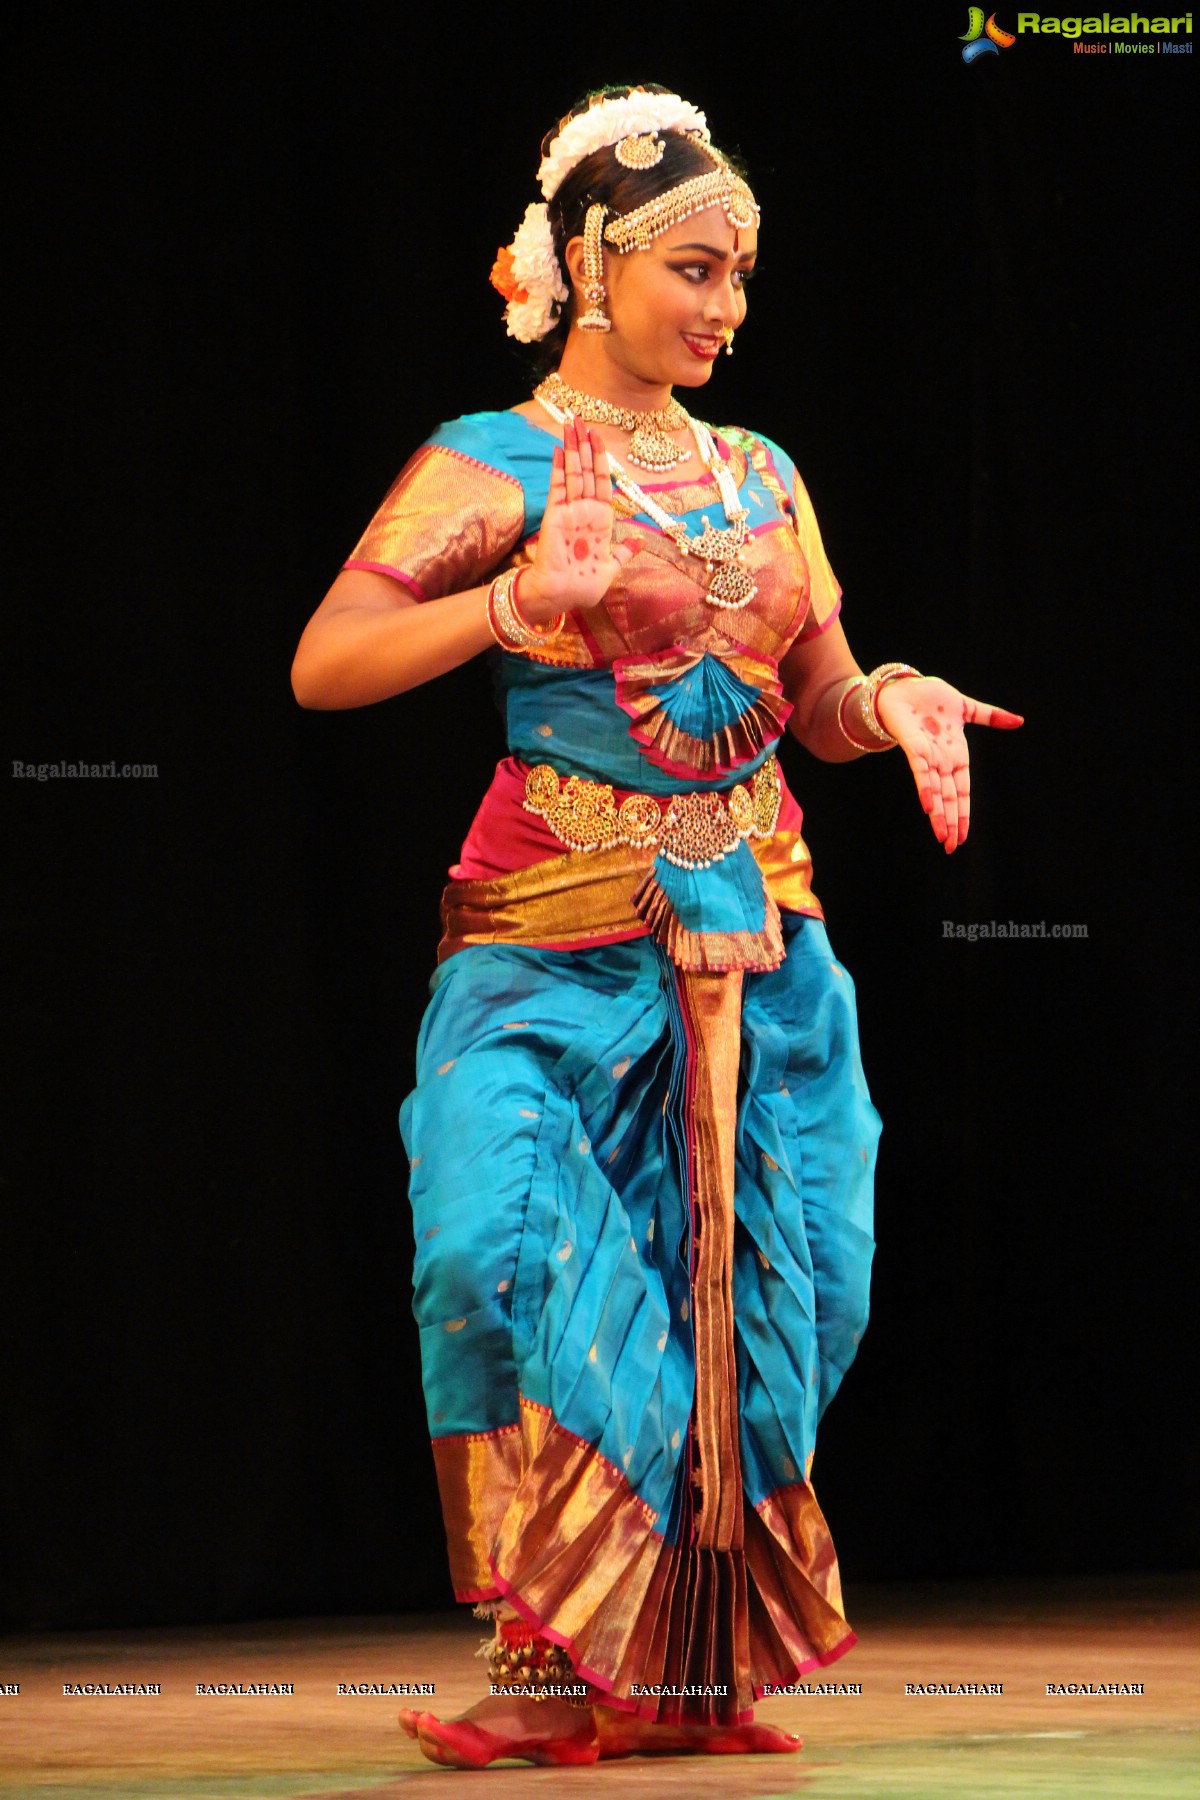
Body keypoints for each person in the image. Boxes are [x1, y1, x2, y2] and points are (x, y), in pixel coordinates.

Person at [291, 85, 1022, 1770]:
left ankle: (688, 1666)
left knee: (774, 1290)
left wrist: (888, 700)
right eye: (694, 268)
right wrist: (506, 602)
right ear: (594, 263)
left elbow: (814, 691)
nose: (725, 309)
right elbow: (326, 667)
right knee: (495, 1251)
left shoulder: (763, 474)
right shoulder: (499, 458)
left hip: (761, 944)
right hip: (547, 937)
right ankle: (539, 1662)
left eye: (743, 279)